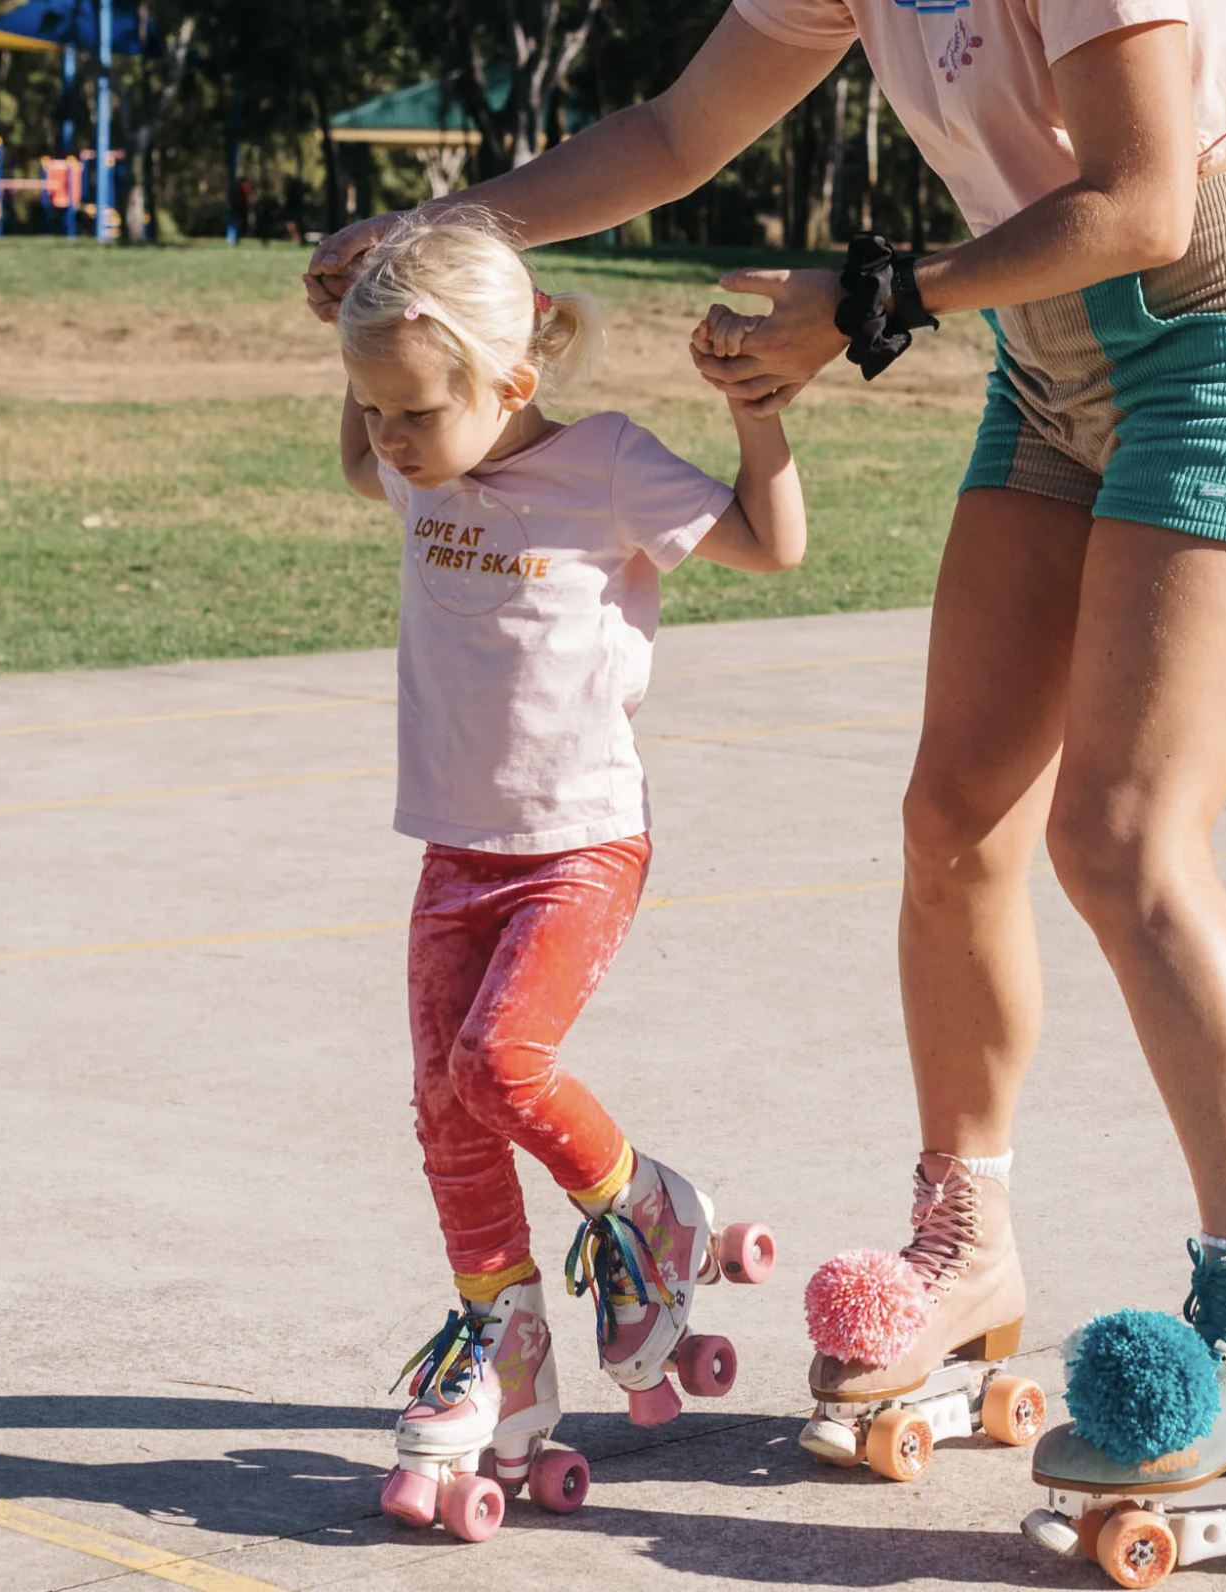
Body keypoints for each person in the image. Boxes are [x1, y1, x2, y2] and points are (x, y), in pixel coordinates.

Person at [307, 0, 1226, 1518]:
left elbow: (1145, 201)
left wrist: (870, 294)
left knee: (1125, 838)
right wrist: (432, 240)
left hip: (1223, 335)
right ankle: (969, 1241)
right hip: (1052, 377)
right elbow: (677, 134)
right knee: (953, 825)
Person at [339, 216, 800, 1537]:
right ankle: (507, 1339)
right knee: (444, 1109)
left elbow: (772, 547)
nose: (391, 444)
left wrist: (759, 418)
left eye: (414, 412)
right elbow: (380, 445)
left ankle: (649, 1209)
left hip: (581, 843)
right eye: (374, 412)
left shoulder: (606, 467)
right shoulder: (419, 457)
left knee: (501, 1065)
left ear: (514, 385)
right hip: (458, 846)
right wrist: (359, 347)